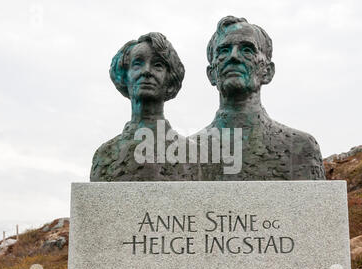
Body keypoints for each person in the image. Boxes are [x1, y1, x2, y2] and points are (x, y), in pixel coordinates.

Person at [191, 16, 325, 180]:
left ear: (268, 72)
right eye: (223, 50)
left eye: (247, 50)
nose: (233, 56)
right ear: (211, 74)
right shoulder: (187, 153)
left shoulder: (301, 148)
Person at [90, 32, 196, 181]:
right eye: (138, 63)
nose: (147, 71)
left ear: (170, 80)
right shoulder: (105, 155)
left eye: (157, 65)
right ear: (124, 76)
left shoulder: (191, 154)